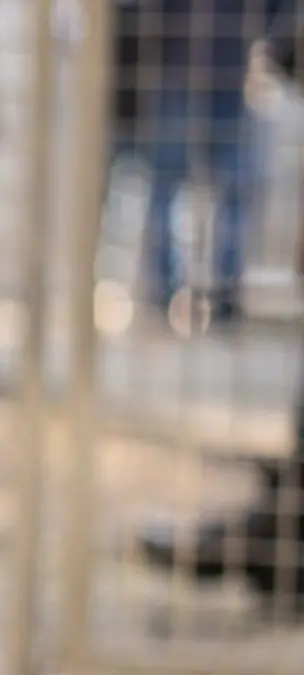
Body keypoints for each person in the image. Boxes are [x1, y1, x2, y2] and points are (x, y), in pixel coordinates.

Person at [137, 2, 302, 604]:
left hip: (209, 73)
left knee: (205, 196)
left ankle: (279, 536)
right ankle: (278, 530)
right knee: (184, 195)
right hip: (203, 71)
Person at [108, 0, 294, 326]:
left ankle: (224, 293)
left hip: (228, 73)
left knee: (234, 187)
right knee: (166, 184)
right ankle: (164, 292)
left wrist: (265, 39)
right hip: (178, 70)